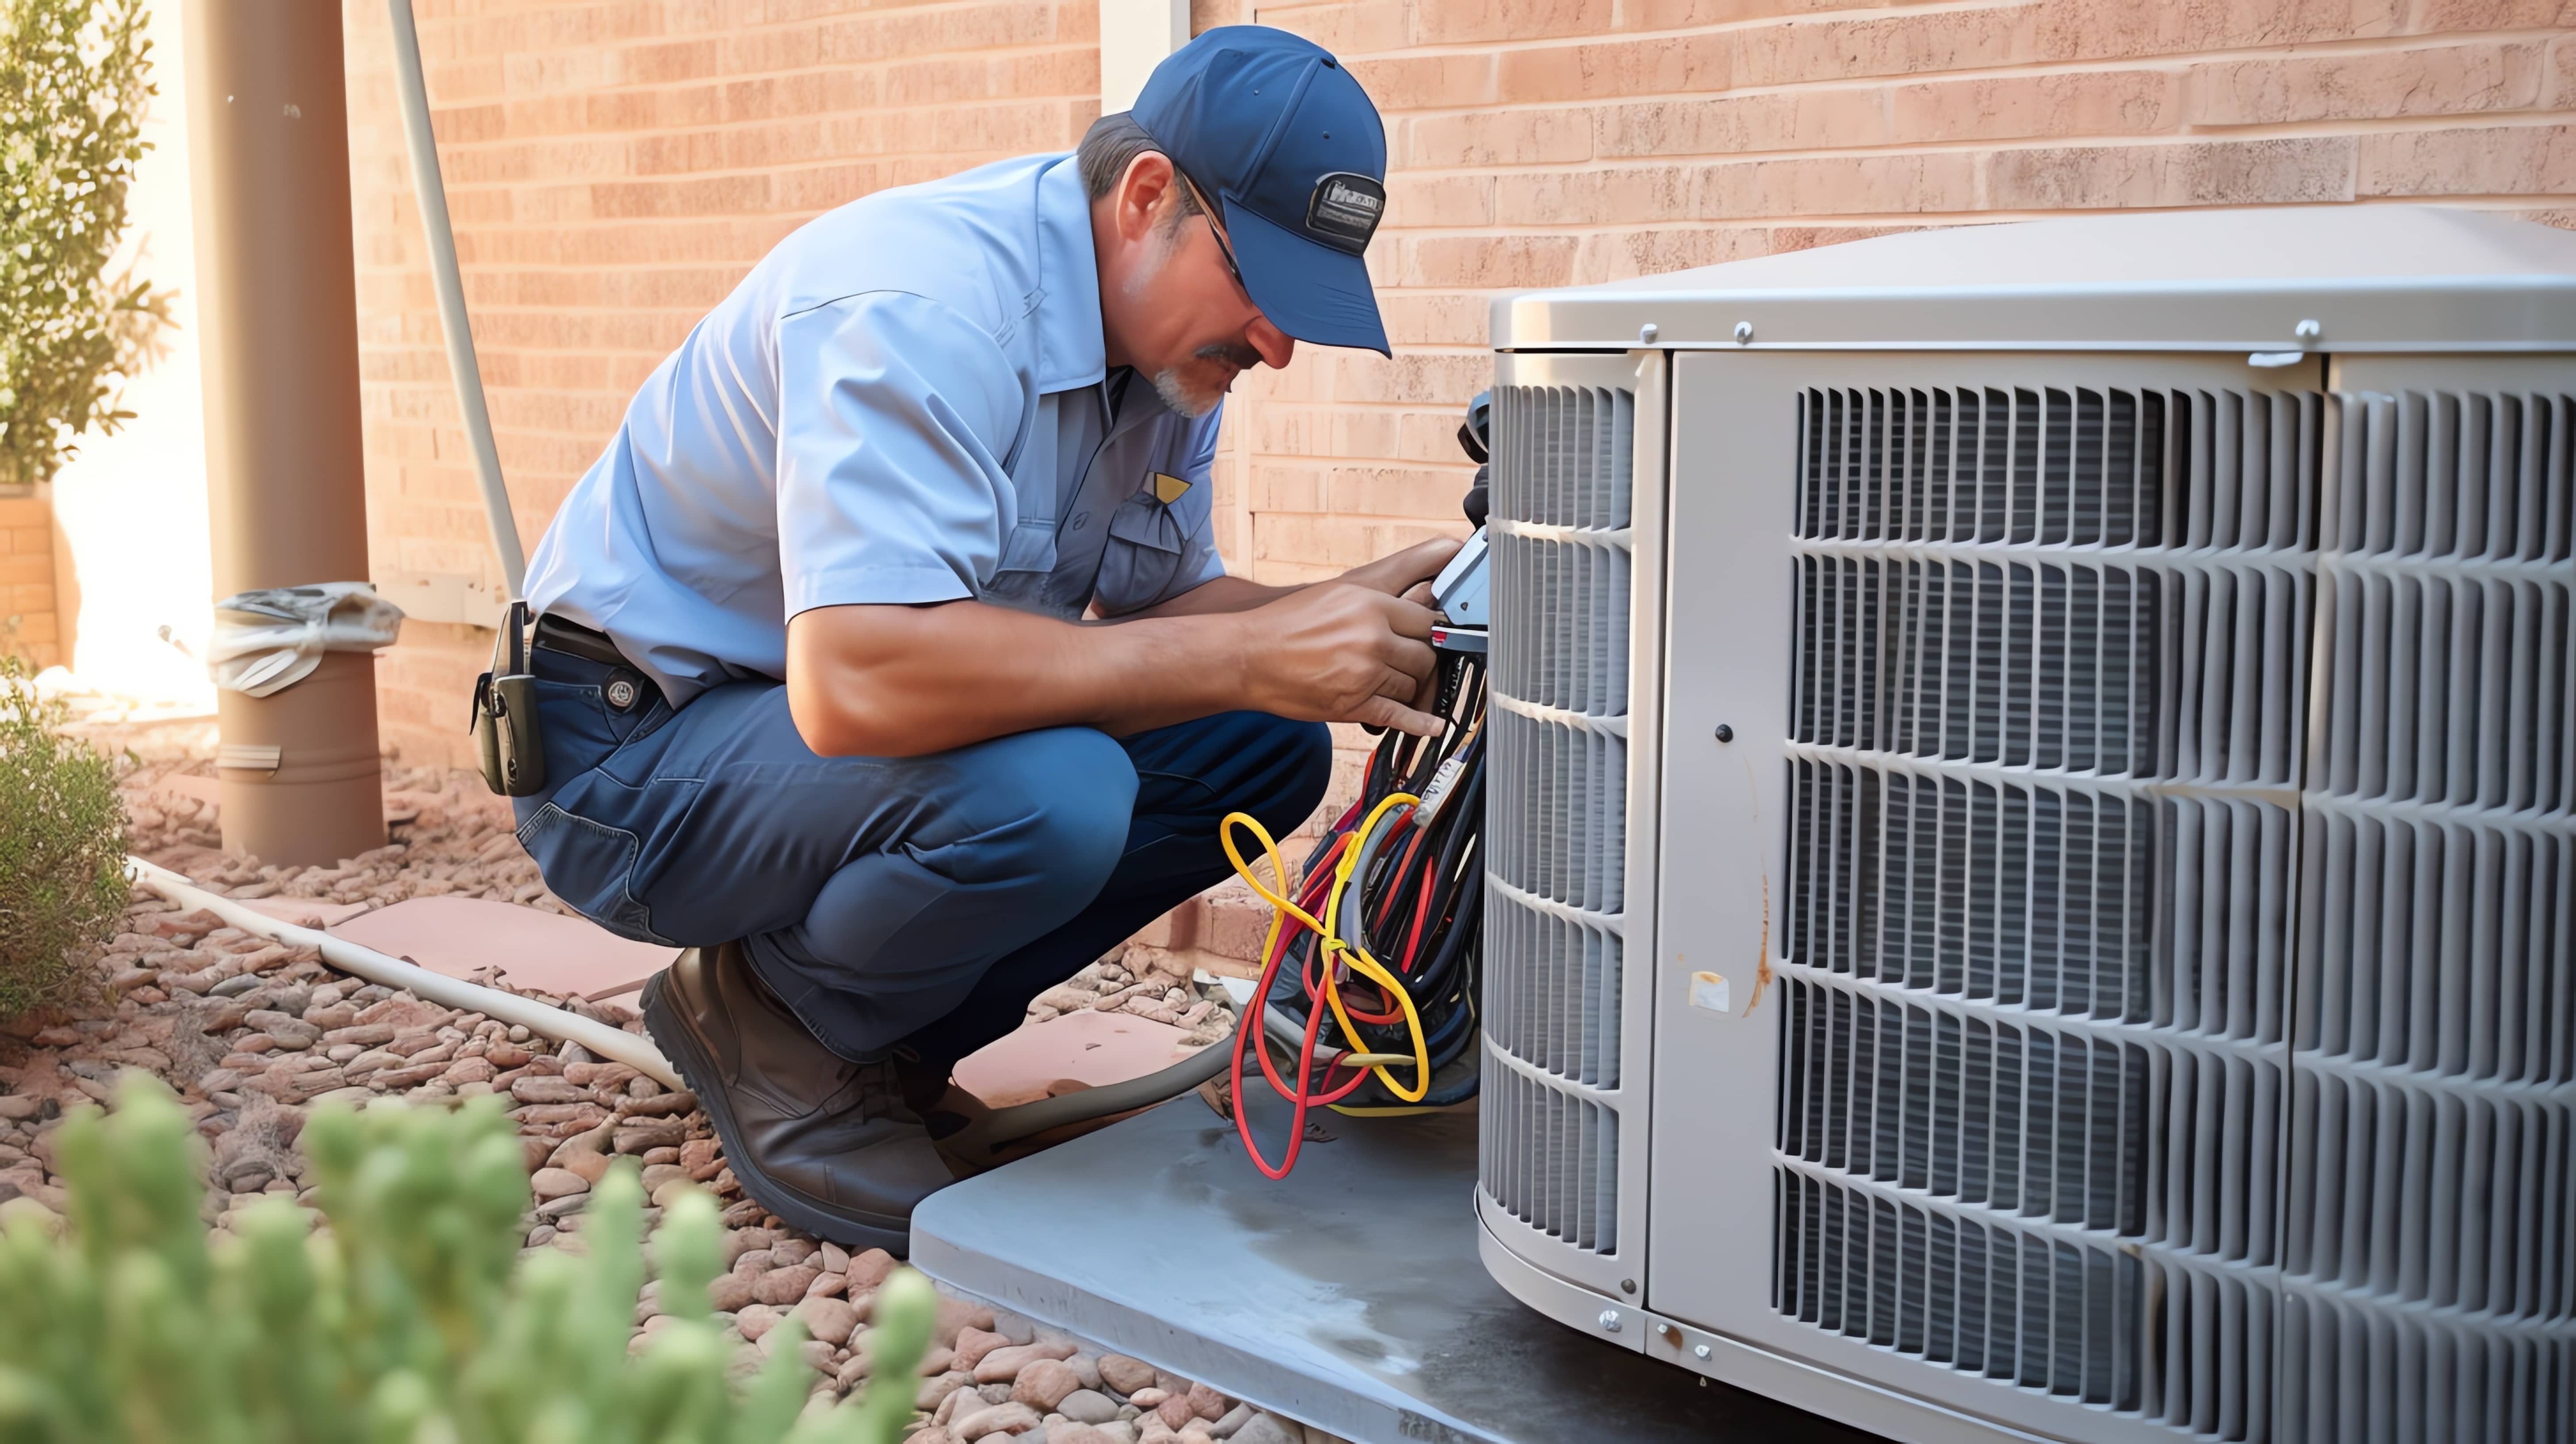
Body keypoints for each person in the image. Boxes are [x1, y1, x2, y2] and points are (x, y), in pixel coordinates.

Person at [507, 26, 1459, 1250]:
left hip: (806, 752)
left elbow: (1160, 620)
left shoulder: (1165, 364)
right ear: (1148, 197)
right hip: (631, 756)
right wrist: (1245, 654)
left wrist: (1341, 609)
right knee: (1052, 794)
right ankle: (779, 1026)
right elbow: (859, 683)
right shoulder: (923, 304)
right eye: (1259, 285)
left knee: (1261, 746)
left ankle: (884, 1039)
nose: (1277, 342)